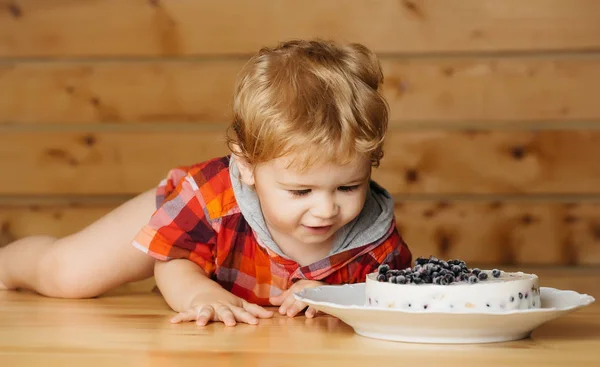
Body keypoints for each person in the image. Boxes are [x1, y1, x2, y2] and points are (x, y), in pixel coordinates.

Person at [0, 39, 412, 326]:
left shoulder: (374, 235)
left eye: (347, 187)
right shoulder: (213, 198)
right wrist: (198, 294)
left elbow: (385, 295)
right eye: (300, 191)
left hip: (231, 269)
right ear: (248, 165)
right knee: (68, 275)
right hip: (189, 217)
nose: (326, 209)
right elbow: (172, 260)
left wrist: (332, 298)